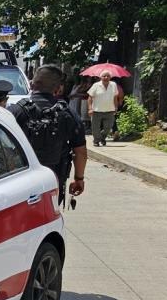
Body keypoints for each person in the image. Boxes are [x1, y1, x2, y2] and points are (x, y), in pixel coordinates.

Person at [8, 64, 87, 205]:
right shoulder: (68, 114)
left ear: (32, 84)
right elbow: (80, 152)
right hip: (54, 180)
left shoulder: (15, 111)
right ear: (58, 89)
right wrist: (79, 178)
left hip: (20, 182)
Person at [87, 71, 123, 146]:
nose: (106, 77)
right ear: (100, 77)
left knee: (108, 127)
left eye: (108, 76)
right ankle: (96, 141)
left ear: (110, 77)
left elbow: (115, 97)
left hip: (109, 110)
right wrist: (90, 108)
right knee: (95, 128)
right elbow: (90, 97)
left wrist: (116, 107)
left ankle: (102, 138)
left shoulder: (113, 85)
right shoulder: (96, 85)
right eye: (104, 76)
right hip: (96, 110)